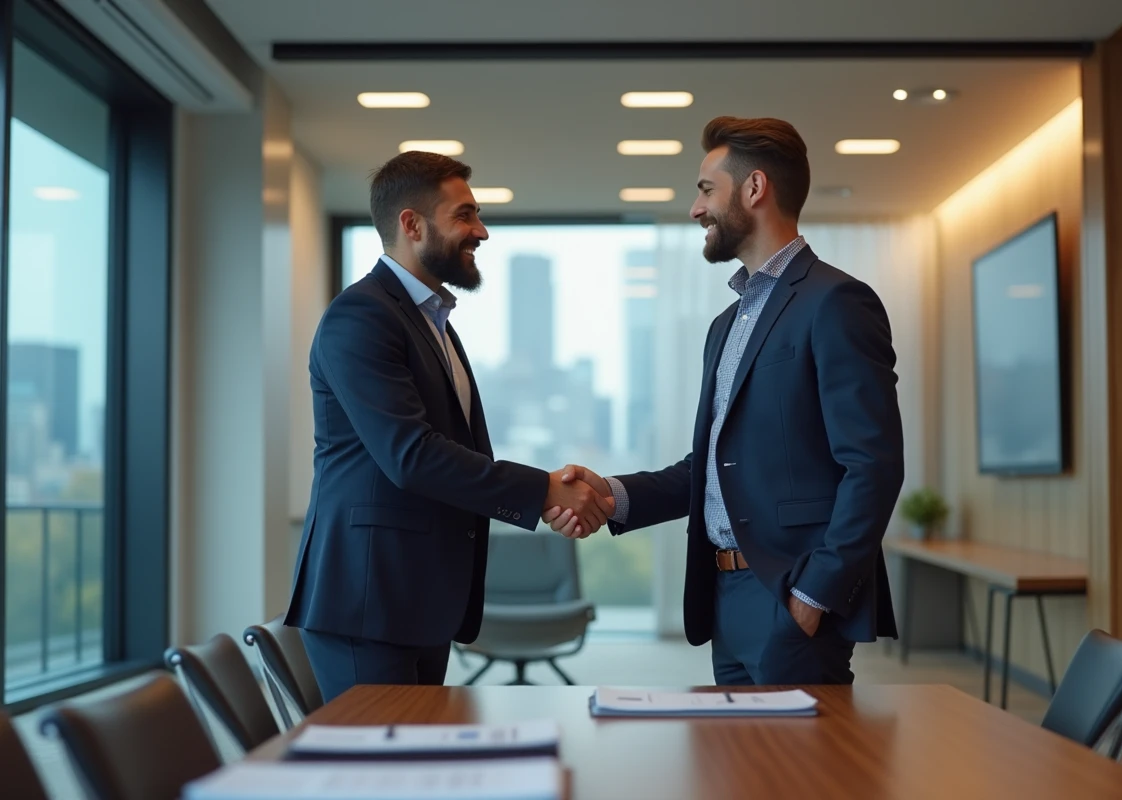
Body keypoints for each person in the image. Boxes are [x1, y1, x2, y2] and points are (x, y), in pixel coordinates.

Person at [544, 116, 904, 685]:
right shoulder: (725, 324)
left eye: (706, 189)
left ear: (754, 188)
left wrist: (813, 596)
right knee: (734, 772)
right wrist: (612, 496)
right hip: (724, 597)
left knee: (796, 775)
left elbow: (873, 466)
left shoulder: (836, 302)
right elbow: (713, 466)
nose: (695, 209)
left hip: (790, 596)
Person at [285, 151, 612, 700]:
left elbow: (454, 452)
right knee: (383, 782)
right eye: (464, 215)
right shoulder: (360, 315)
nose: (480, 231)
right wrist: (544, 490)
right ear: (411, 224)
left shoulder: (432, 322)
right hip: (369, 600)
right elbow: (411, 455)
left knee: (417, 771)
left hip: (416, 598)